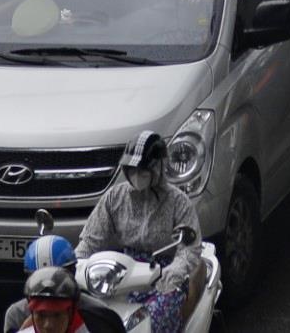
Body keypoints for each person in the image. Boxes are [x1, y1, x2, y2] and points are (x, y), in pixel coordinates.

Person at [78, 132, 204, 333]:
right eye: (132, 169)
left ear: (159, 167)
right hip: (120, 275)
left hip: (163, 278)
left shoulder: (178, 202)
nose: (137, 174)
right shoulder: (115, 197)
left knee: (154, 322)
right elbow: (91, 240)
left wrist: (175, 271)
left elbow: (189, 249)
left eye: (143, 169)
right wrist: (76, 265)